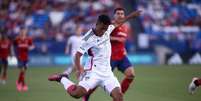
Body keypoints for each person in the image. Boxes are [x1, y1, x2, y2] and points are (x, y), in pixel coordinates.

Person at [48, 10, 141, 101]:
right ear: (98, 23)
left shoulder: (108, 29)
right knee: (76, 94)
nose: (104, 31)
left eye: (106, 29)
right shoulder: (87, 38)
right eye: (102, 28)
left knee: (119, 97)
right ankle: (62, 78)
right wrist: (80, 69)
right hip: (93, 73)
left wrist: (131, 16)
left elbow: (119, 22)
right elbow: (77, 55)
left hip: (107, 73)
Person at [83, 7, 136, 101]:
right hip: (109, 58)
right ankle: (86, 95)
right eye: (118, 14)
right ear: (114, 15)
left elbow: (122, 41)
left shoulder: (125, 27)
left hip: (121, 56)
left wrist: (123, 48)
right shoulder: (109, 25)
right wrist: (116, 39)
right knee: (98, 80)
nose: (120, 15)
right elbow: (102, 37)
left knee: (131, 74)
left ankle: (119, 95)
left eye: (122, 14)